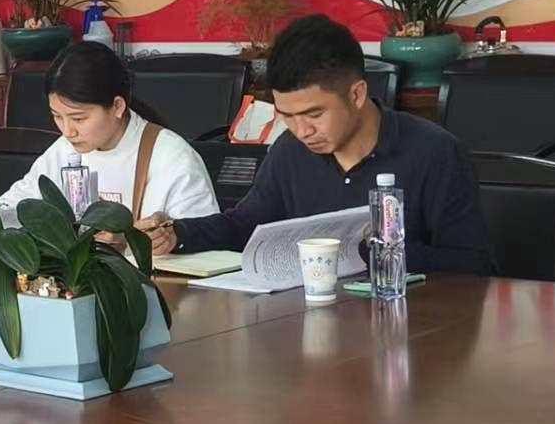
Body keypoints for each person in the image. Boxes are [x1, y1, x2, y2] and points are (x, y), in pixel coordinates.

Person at [136, 15, 493, 273]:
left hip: (413, 328)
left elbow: (472, 264)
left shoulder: (435, 153)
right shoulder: (289, 151)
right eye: (287, 116)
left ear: (357, 94)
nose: (301, 130)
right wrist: (177, 233)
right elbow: (244, 226)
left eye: (314, 114)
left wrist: (373, 252)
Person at [0, 42, 218, 227]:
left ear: (117, 106)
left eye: (78, 118)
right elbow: (10, 209)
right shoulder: (63, 151)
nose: (67, 131)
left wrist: (159, 238)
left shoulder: (173, 158)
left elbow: (203, 245)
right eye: (57, 116)